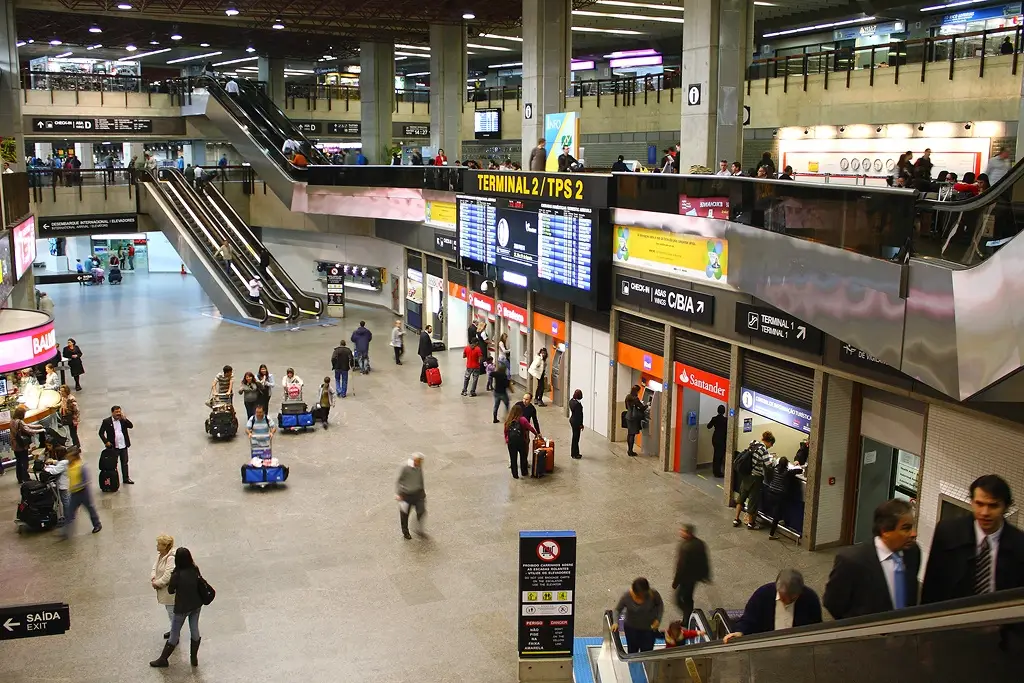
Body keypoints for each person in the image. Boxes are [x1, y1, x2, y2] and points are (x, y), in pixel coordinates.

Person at [921, 474, 1024, 603]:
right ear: (971, 502)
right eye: (979, 504)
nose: (985, 512)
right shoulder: (948, 533)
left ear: (1005, 507)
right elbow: (932, 587)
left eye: (993, 506)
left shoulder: (1019, 545)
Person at [823, 499, 920, 620]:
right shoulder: (852, 561)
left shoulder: (912, 552)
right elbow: (833, 603)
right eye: (906, 528)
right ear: (885, 531)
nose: (913, 533)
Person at [723, 569, 822, 642]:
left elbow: (816, 626)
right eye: (783, 598)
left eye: (791, 600)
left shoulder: (810, 599)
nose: (786, 603)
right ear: (777, 588)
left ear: (799, 593)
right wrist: (740, 632)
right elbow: (749, 619)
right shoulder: (763, 595)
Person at [150, 547, 204, 668]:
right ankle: (193, 658)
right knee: (194, 628)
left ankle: (163, 659)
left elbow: (170, 590)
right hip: (196, 604)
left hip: (182, 607)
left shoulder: (177, 574)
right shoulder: (194, 569)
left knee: (174, 632)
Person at [732, 430, 775, 529]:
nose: (771, 446)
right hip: (756, 478)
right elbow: (768, 465)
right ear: (768, 442)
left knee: (741, 498)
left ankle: (736, 519)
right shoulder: (764, 450)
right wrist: (772, 461)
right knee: (752, 500)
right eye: (771, 444)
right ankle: (751, 523)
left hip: (746, 475)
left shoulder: (753, 443)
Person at [671, 524, 711, 624]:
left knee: (679, 599)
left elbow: (681, 567)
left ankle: (688, 616)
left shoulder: (685, 547)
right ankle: (687, 617)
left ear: (688, 533)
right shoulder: (700, 543)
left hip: (686, 578)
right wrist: (705, 575)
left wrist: (675, 582)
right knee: (688, 598)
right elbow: (705, 560)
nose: (681, 532)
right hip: (695, 577)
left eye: (683, 531)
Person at [612, 577, 664, 653]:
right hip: (631, 629)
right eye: (639, 595)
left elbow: (660, 605)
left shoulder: (653, 594)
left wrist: (658, 620)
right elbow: (617, 610)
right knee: (633, 651)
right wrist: (615, 622)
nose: (642, 597)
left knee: (647, 652)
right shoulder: (627, 597)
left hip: (649, 629)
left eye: (644, 594)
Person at [59, 447, 102, 538]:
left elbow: (86, 481)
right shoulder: (69, 465)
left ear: (74, 457)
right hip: (74, 493)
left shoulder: (81, 466)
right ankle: (66, 531)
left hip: (83, 493)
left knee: (90, 509)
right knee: (70, 512)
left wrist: (76, 486)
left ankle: (97, 524)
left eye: (69, 456)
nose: (67, 457)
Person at [765, 457, 803, 540]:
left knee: (775, 511)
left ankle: (775, 522)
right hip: (779, 495)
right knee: (777, 515)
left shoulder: (774, 469)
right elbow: (799, 471)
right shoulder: (787, 472)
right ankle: (772, 534)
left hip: (770, 492)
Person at [98, 405, 135, 485]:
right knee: (113, 464)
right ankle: (115, 479)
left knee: (125, 462)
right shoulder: (106, 421)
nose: (118, 414)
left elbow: (131, 426)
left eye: (119, 412)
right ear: (112, 413)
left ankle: (126, 478)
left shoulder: (122, 420)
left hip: (123, 445)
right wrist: (106, 441)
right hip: (113, 446)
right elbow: (101, 433)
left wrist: (125, 419)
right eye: (116, 412)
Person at [396, 453, 427, 540]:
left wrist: (422, 491)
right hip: (406, 495)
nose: (419, 464)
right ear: (414, 460)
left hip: (418, 494)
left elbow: (420, 479)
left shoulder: (419, 467)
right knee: (404, 515)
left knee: (421, 511)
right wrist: (399, 493)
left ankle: (418, 528)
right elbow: (400, 480)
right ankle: (405, 531)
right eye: (418, 462)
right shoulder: (405, 468)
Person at [504, 403, 539, 480]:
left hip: (511, 443)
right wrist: (536, 434)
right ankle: (524, 472)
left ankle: (515, 475)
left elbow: (505, 432)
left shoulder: (508, 420)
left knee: (513, 458)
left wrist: (507, 440)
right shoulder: (522, 419)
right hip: (521, 441)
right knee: (523, 457)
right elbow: (530, 428)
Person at [151, 534, 176, 638]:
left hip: (169, 592)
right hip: (163, 591)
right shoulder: (160, 555)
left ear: (165, 546)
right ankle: (174, 630)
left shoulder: (171, 558)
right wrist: (153, 577)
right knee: (169, 611)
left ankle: (175, 634)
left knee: (172, 613)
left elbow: (168, 576)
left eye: (159, 544)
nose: (157, 546)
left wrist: (157, 583)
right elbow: (154, 567)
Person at [10, 406, 43, 483]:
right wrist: (40, 430)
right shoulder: (20, 422)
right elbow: (28, 430)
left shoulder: (12, 421)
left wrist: (37, 426)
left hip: (14, 445)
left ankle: (20, 478)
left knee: (18, 462)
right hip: (21, 445)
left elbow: (26, 426)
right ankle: (26, 478)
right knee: (25, 461)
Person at [43, 449, 71, 523]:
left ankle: (68, 517)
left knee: (65, 501)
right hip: (65, 483)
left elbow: (55, 471)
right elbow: (57, 466)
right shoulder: (65, 461)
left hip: (63, 485)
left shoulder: (63, 463)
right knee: (66, 499)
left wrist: (46, 469)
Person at [624, 384, 647, 457]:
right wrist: (648, 405)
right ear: (637, 391)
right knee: (632, 434)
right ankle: (630, 451)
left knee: (629, 433)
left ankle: (629, 450)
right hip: (633, 418)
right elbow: (642, 408)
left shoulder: (628, 396)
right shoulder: (635, 398)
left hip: (628, 416)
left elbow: (627, 407)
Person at [707, 405, 727, 477]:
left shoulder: (714, 419)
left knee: (716, 455)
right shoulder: (725, 420)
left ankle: (715, 470)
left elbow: (708, 426)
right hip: (722, 439)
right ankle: (718, 472)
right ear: (724, 411)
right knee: (720, 456)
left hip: (715, 438)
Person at [568, 389, 584, 459]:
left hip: (572, 420)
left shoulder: (571, 401)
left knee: (574, 437)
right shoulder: (578, 404)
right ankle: (575, 453)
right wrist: (581, 424)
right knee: (576, 438)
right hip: (576, 422)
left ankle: (575, 453)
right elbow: (579, 416)